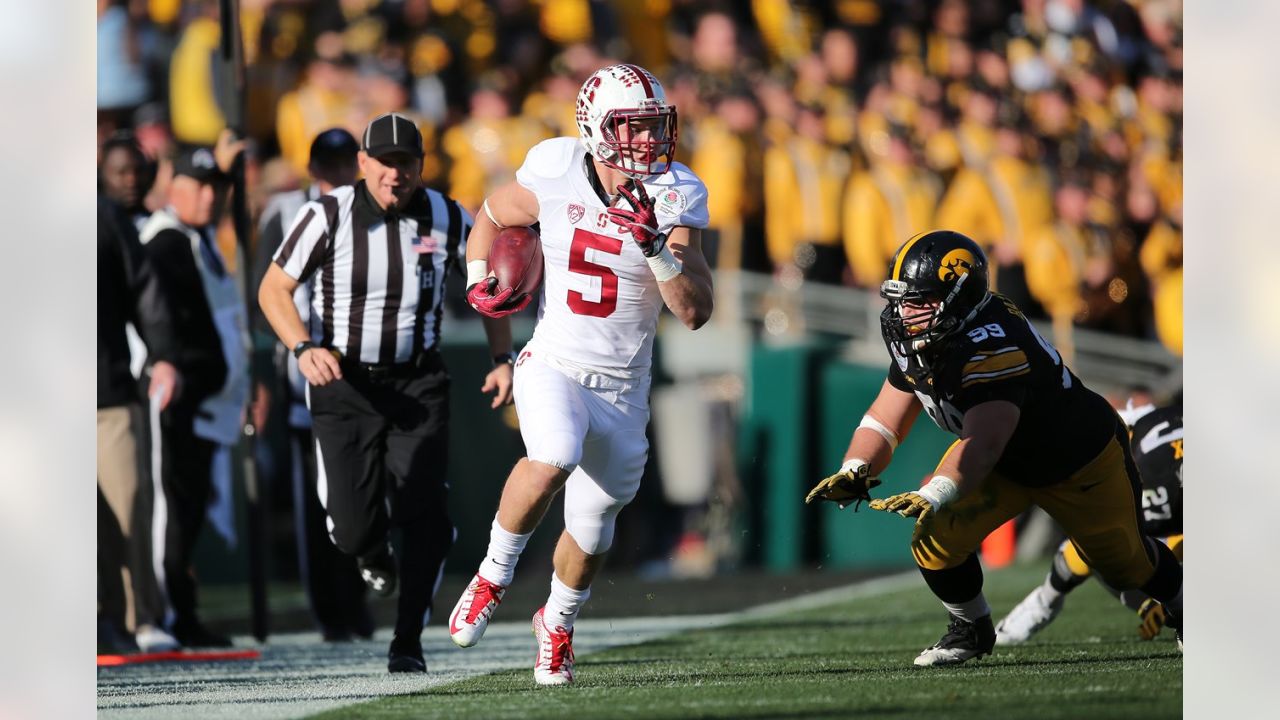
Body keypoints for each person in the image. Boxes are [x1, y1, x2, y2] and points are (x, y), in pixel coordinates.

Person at [448, 63, 714, 686]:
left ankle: (558, 623)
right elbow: (489, 214)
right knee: (555, 453)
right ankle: (492, 575)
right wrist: (475, 278)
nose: (649, 141)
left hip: (625, 388)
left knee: (594, 525)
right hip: (555, 362)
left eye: (655, 125)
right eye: (633, 127)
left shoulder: (676, 192)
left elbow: (696, 311)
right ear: (596, 130)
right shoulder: (555, 166)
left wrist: (655, 249)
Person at [804, 230, 1183, 666]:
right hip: (1010, 462)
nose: (904, 312)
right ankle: (970, 630)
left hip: (1079, 461)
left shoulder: (992, 344)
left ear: (959, 298)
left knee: (1128, 565)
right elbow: (885, 418)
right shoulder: (925, 334)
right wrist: (856, 466)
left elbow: (982, 444)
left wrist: (935, 492)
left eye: (919, 300)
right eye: (900, 299)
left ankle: (1188, 611)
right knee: (935, 540)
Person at [258, 112, 516, 673]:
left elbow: (488, 287)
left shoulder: (448, 215)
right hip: (342, 381)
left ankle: (407, 641)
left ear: (420, 166)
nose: (394, 174)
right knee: (349, 529)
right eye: (384, 162)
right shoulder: (325, 215)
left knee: (421, 511)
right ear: (363, 164)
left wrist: (502, 358)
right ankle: (371, 553)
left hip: (417, 381)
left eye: (405, 163)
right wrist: (303, 348)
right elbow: (274, 289)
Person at [253, 128, 373, 642]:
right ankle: (330, 609)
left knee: (367, 492)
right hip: (306, 371)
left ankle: (358, 600)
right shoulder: (285, 212)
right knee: (317, 498)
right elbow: (262, 293)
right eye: (330, 164)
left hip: (367, 370)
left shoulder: (375, 207)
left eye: (347, 163)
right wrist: (290, 351)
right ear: (313, 168)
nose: (339, 174)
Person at [138, 136, 249, 648]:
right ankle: (163, 615)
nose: (208, 197)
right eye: (197, 186)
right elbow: (167, 325)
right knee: (172, 510)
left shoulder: (199, 238)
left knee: (189, 509)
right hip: (178, 399)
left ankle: (182, 611)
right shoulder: (165, 241)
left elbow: (225, 321)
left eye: (214, 188)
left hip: (210, 399)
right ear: (173, 187)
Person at [996, 398, 1184, 644]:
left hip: (1168, 488)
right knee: (1103, 545)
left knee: (1107, 545)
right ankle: (1043, 602)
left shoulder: (1147, 463)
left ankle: (1043, 602)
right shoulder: (1150, 441)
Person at [97, 193, 181, 654]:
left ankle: (138, 617)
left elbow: (142, 286)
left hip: (105, 391)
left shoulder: (101, 212)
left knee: (127, 503)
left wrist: (163, 354)